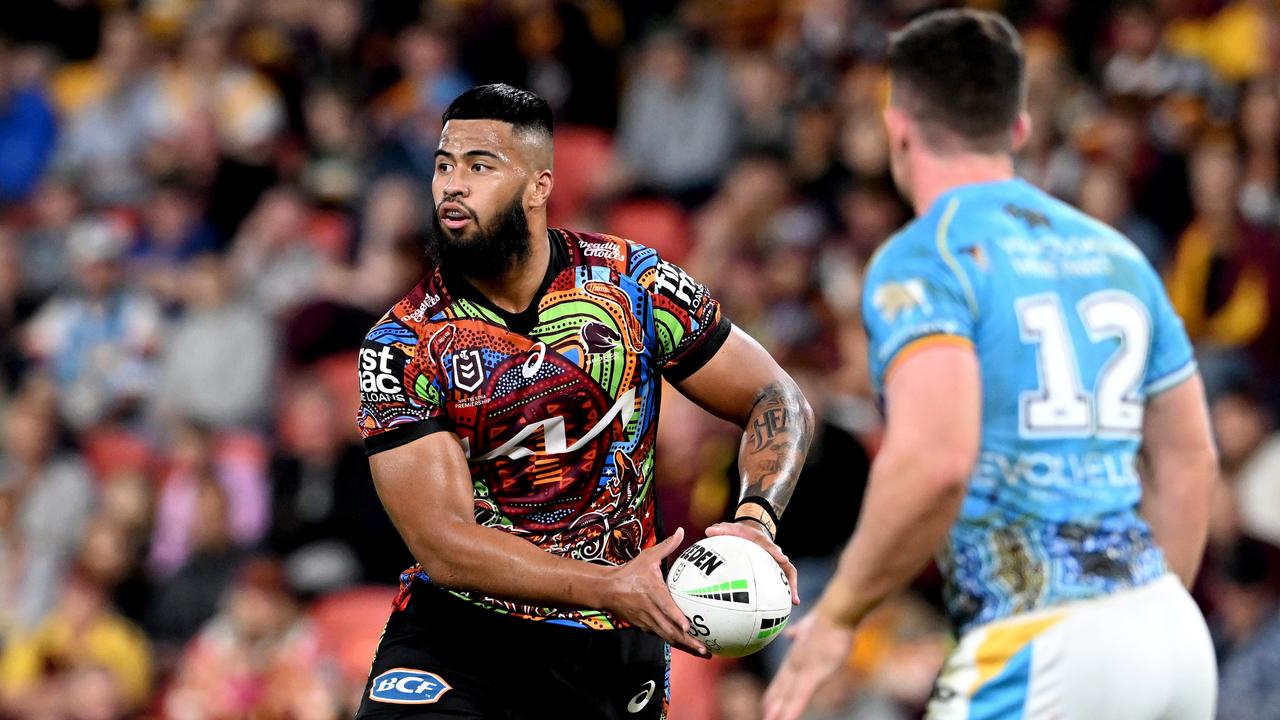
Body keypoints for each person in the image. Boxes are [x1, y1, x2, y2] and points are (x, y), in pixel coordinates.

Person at [765, 10, 1218, 720]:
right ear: (1019, 129)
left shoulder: (924, 258)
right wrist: (1143, 627)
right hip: (1171, 632)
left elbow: (936, 460)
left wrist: (839, 615)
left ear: (896, 126)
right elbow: (1189, 459)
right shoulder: (1117, 254)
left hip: (1039, 642)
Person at [354, 83, 813, 719]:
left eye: (479, 166)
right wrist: (609, 586)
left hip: (611, 654)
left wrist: (756, 519)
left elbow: (776, 396)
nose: (451, 186)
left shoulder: (633, 284)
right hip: (460, 639)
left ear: (539, 186)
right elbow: (444, 543)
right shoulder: (403, 342)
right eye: (443, 165)